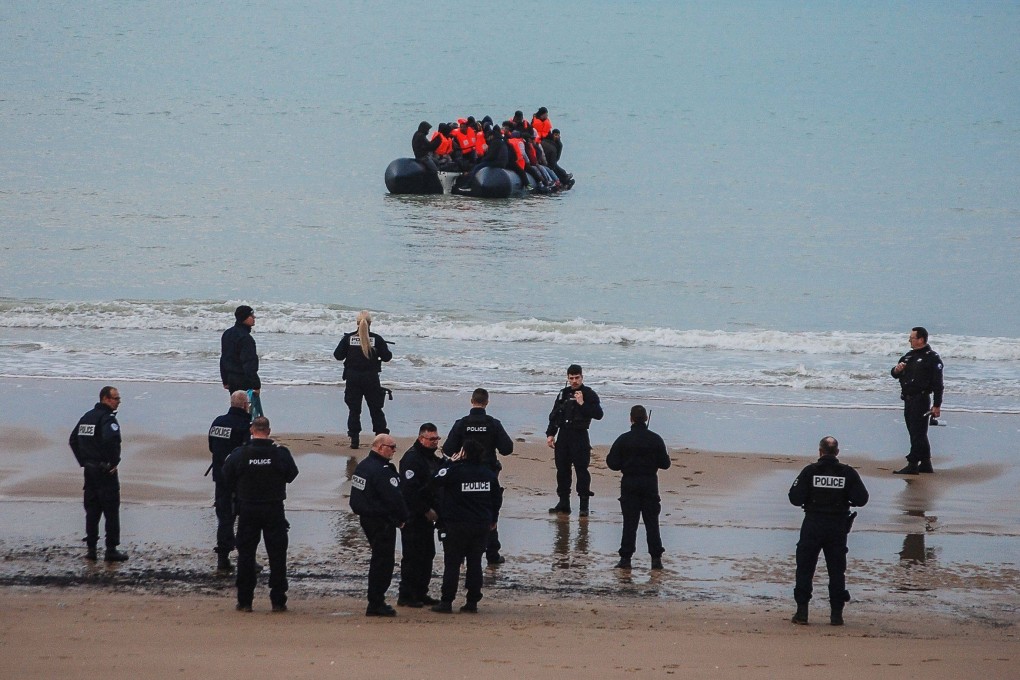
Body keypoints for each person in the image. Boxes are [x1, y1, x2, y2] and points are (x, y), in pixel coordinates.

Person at [788, 436, 869, 626]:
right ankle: (836, 615)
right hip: (837, 526)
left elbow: (795, 498)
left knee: (805, 568)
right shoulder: (847, 473)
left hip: (813, 524)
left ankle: (802, 613)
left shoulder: (810, 471)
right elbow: (862, 498)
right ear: (837, 453)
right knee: (836, 571)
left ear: (820, 452)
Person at [221, 416, 299, 613]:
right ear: (269, 431)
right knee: (277, 556)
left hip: (248, 509)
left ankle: (245, 601)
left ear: (251, 430)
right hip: (273, 509)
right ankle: (278, 601)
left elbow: (226, 475)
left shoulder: (240, 454)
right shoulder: (280, 454)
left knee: (246, 556)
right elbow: (291, 475)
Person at [443, 388, 514, 564]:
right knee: (489, 512)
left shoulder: (461, 423)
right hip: (487, 474)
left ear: (471, 401)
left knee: (463, 511)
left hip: (464, 474)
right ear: (487, 402)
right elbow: (507, 448)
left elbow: (447, 449)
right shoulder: (493, 424)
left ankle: (459, 555)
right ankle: (492, 554)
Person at [430, 440, 501, 614]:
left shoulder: (455, 471)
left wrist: (449, 462)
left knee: (452, 563)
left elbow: (435, 480)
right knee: (475, 562)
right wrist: (493, 519)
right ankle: (472, 601)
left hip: (456, 524)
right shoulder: (488, 474)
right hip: (481, 525)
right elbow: (496, 499)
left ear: (464, 453)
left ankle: (446, 602)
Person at [605, 405, 671, 570]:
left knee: (629, 523)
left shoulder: (623, 439)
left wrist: (625, 463)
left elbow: (612, 463)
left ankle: (625, 559)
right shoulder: (655, 439)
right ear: (646, 419)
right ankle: (656, 560)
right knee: (652, 522)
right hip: (649, 483)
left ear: (631, 419)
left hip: (629, 483)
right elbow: (665, 464)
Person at [349, 433, 408, 617]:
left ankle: (376, 600)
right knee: (383, 562)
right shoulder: (381, 470)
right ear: (380, 447)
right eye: (391, 447)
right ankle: (376, 602)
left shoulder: (363, 466)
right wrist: (402, 517)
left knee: (379, 559)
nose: (394, 451)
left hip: (367, 517)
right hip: (381, 521)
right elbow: (394, 498)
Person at [68, 386, 128, 562]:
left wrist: (84, 462)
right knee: (111, 510)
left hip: (89, 471)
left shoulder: (86, 417)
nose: (118, 401)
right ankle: (111, 549)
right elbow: (112, 440)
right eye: (116, 398)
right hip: (104, 472)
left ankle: (92, 550)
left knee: (92, 511)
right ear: (105, 399)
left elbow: (73, 440)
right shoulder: (107, 419)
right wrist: (113, 463)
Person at [396, 423, 445, 607]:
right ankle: (407, 595)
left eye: (436, 439)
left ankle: (421, 592)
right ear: (421, 438)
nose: (435, 443)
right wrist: (426, 510)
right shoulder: (412, 459)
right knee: (412, 556)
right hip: (413, 516)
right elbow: (410, 491)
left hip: (427, 518)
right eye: (431, 439)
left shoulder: (431, 458)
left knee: (427, 554)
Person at [546, 364, 604, 516]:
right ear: (567, 378)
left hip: (580, 436)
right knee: (562, 471)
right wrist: (551, 434)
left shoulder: (589, 393)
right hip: (563, 435)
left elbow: (598, 414)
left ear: (582, 377)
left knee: (581, 471)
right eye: (571, 378)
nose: (574, 381)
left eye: (577, 378)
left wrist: (582, 403)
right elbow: (555, 415)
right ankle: (563, 503)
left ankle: (584, 506)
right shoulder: (563, 393)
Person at [333, 310, 393, 450]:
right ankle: (381, 439)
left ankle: (354, 440)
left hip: (352, 379)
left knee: (354, 410)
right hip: (371, 379)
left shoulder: (348, 339)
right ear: (370, 323)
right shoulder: (377, 339)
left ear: (356, 323)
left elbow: (338, 355)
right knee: (376, 410)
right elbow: (387, 357)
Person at [207, 390, 252, 572]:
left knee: (224, 518)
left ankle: (222, 558)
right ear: (244, 405)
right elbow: (248, 452)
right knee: (245, 520)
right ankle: (245, 558)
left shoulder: (218, 421)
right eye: (248, 403)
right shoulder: (244, 425)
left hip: (220, 476)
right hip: (239, 481)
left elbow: (212, 446)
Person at [890, 326, 945, 475]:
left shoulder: (931, 358)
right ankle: (926, 463)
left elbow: (938, 384)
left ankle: (913, 464)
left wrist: (937, 405)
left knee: (918, 433)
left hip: (921, 399)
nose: (909, 340)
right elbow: (894, 373)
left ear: (921, 339)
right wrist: (897, 370)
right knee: (915, 432)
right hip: (908, 399)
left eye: (912, 338)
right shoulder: (909, 356)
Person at [220, 305, 261, 396]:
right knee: (245, 408)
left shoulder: (227, 333)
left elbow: (224, 358)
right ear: (244, 317)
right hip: (244, 380)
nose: (254, 317)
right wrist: (256, 385)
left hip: (231, 378)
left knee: (236, 405)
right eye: (251, 315)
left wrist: (225, 380)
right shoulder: (246, 338)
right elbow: (249, 363)